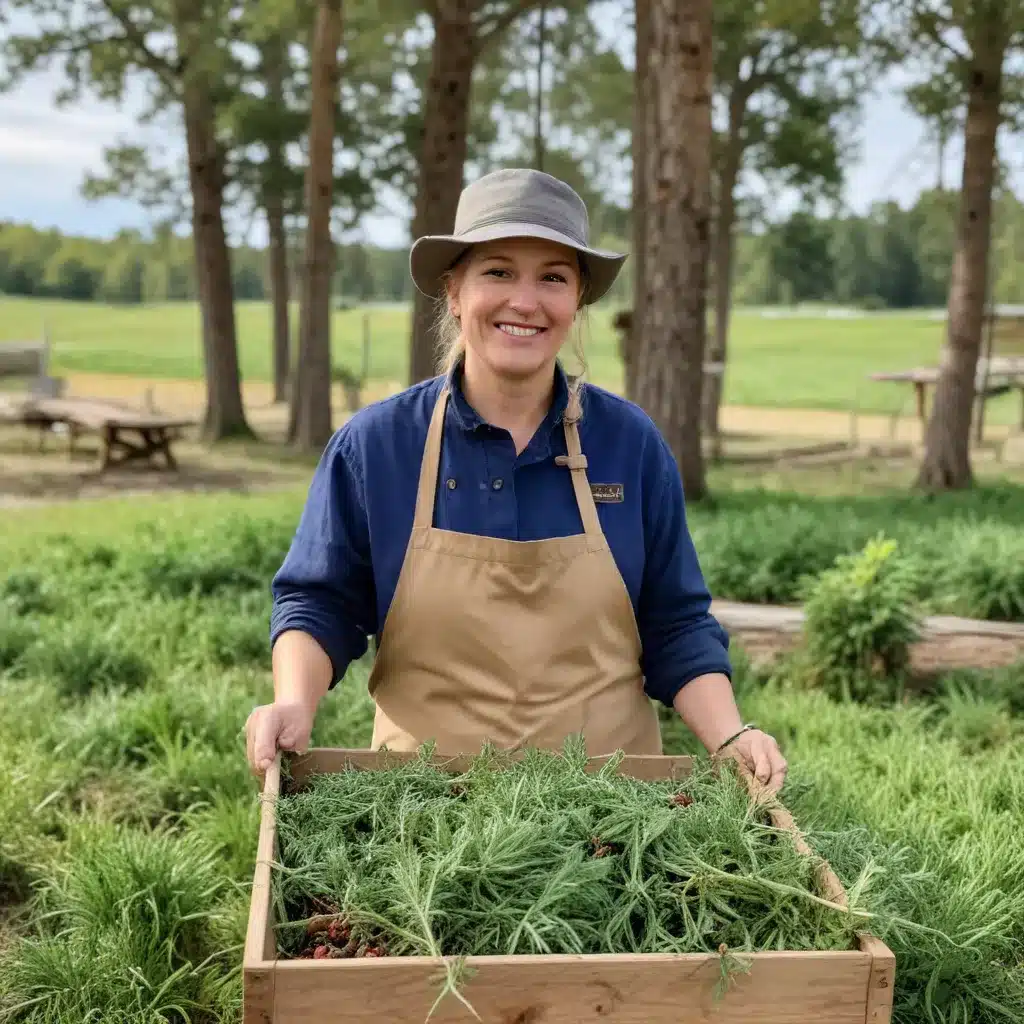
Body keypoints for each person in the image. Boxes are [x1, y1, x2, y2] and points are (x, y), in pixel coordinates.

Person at [245, 167, 787, 793]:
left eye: (553, 278)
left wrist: (729, 734)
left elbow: (675, 623)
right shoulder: (378, 447)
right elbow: (320, 604)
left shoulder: (629, 446)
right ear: (454, 291)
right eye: (498, 271)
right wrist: (292, 703)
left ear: (577, 299)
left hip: (612, 819)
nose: (524, 301)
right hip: (422, 817)